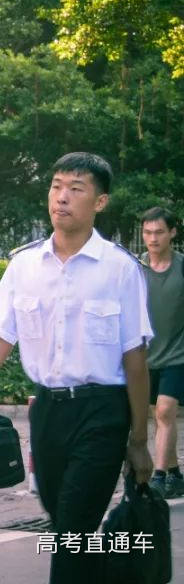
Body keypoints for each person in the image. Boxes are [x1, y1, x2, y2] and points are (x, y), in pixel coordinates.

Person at [0, 152, 153, 584]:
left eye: (76, 189)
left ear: (100, 202)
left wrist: (140, 440)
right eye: (56, 187)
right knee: (66, 525)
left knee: (74, 523)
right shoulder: (24, 265)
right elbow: (0, 338)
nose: (62, 197)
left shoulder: (120, 269)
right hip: (48, 413)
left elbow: (135, 360)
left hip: (102, 413)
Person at [139, 206, 184, 498]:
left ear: (172, 233)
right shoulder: (135, 268)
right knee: (157, 416)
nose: (153, 238)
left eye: (159, 232)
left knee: (165, 411)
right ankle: (175, 473)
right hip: (144, 356)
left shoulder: (182, 267)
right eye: (147, 232)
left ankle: (157, 477)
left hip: (177, 355)